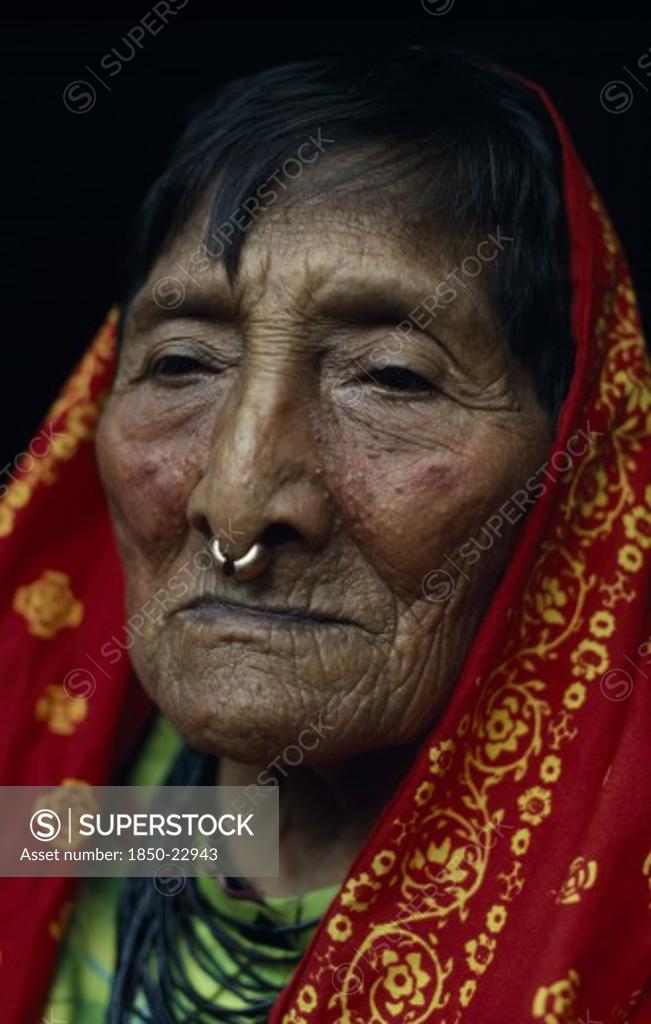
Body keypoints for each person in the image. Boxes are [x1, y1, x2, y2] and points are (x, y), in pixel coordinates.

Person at [1, 47, 649, 1024]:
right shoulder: (88, 804)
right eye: (181, 363)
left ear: (572, 471)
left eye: (391, 378)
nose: (237, 499)